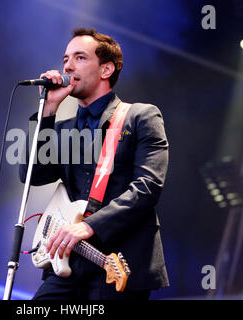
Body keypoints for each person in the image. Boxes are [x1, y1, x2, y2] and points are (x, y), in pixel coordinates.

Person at [20, 28, 169, 300]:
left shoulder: (140, 116)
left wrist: (90, 225)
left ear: (106, 70)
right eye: (66, 58)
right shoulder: (62, 128)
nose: (67, 65)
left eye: (79, 57)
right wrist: (48, 110)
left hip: (118, 262)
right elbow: (31, 174)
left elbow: (148, 187)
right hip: (68, 262)